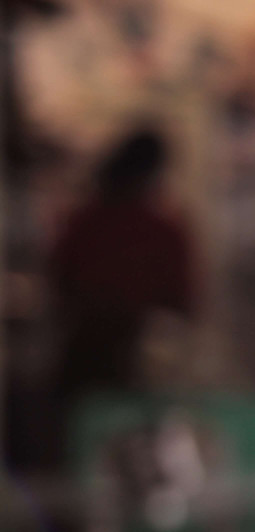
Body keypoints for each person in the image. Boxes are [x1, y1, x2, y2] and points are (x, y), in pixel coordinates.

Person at [48, 125, 198, 407]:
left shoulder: (85, 221)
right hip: (134, 363)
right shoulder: (162, 230)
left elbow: (59, 280)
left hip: (89, 355)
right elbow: (184, 302)